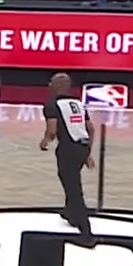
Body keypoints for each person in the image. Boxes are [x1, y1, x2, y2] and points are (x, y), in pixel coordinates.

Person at [41, 71, 96, 245]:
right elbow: (90, 128)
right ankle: (71, 214)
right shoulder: (78, 103)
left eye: (51, 82)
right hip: (82, 146)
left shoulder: (52, 105)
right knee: (70, 179)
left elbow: (52, 130)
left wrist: (45, 141)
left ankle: (86, 234)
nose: (49, 85)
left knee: (73, 187)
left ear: (58, 85)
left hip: (68, 148)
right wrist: (88, 153)